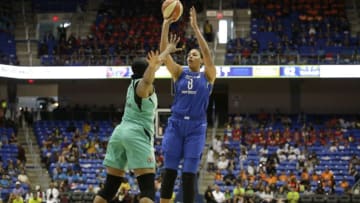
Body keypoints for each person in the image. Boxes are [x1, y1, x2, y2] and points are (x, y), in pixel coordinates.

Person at [93, 36, 181, 203]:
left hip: (119, 133)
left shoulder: (130, 85)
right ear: (146, 70)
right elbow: (147, 79)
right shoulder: (142, 86)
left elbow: (148, 75)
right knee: (147, 189)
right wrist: (156, 63)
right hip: (137, 134)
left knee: (109, 188)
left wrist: (167, 51)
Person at [159, 6, 216, 203]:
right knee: (170, 172)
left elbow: (208, 54)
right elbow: (163, 55)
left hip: (196, 128)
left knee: (189, 176)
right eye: (189, 54)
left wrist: (195, 28)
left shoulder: (207, 75)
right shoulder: (179, 72)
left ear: (200, 60)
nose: (190, 56)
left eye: (194, 54)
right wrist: (166, 24)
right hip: (176, 125)